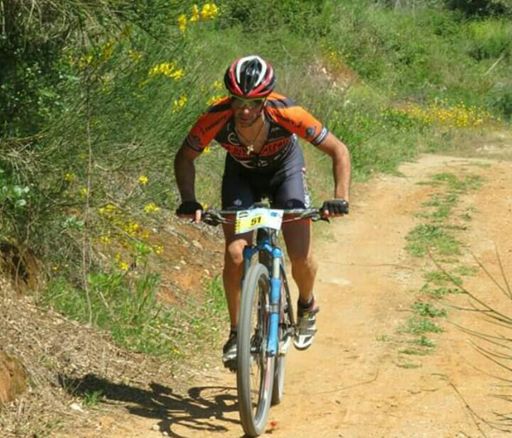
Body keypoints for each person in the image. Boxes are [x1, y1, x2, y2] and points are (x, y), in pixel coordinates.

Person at [174, 55, 351, 367]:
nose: (244, 110)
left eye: (253, 103)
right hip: (241, 177)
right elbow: (185, 157)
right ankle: (236, 333)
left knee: (300, 256)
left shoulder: (287, 112)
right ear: (229, 98)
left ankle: (307, 305)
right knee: (235, 255)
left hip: (285, 172)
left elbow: (339, 150)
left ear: (266, 100)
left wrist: (340, 198)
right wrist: (190, 200)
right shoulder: (216, 116)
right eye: (238, 101)